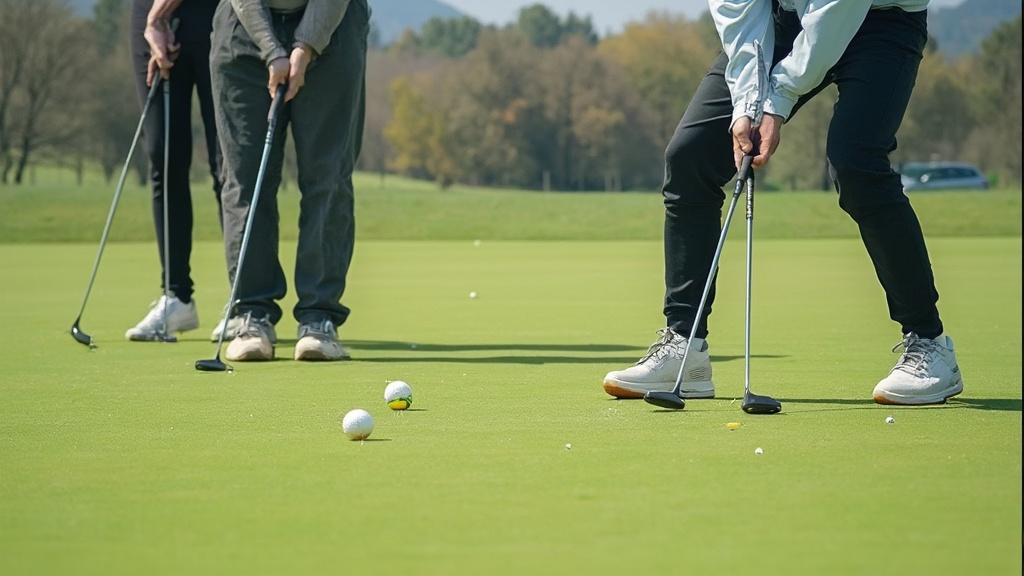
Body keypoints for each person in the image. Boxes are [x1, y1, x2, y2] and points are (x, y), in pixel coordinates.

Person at [602, 0, 963, 405]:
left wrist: (778, 100)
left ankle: (930, 345)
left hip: (881, 19)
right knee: (691, 158)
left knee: (856, 163)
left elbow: (836, 13)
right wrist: (747, 104)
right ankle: (685, 349)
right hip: (783, 20)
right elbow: (739, 12)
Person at [211, 0, 369, 362]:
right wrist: (272, 49)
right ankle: (253, 314)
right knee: (245, 179)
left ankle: (319, 318)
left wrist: (306, 45)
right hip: (244, 29)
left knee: (328, 178)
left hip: (334, 24)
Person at [125, 0, 223, 341]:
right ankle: (177, 296)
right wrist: (152, 17)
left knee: (227, 163)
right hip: (149, 16)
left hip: (216, 14)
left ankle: (245, 301)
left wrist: (158, 15)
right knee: (163, 155)